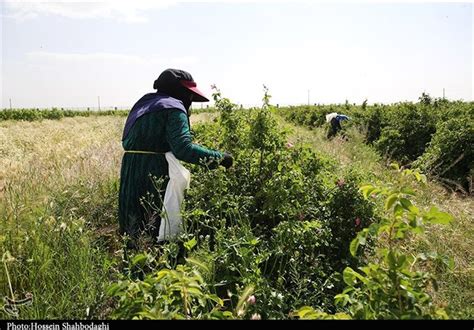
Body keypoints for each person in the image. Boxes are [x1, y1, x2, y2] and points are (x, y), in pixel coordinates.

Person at [119, 68, 233, 242]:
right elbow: (183, 149)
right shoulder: (174, 109)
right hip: (154, 171)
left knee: (133, 227)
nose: (189, 100)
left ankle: (132, 265)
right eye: (188, 95)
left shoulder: (143, 104)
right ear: (179, 91)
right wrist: (220, 158)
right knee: (156, 227)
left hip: (130, 169)